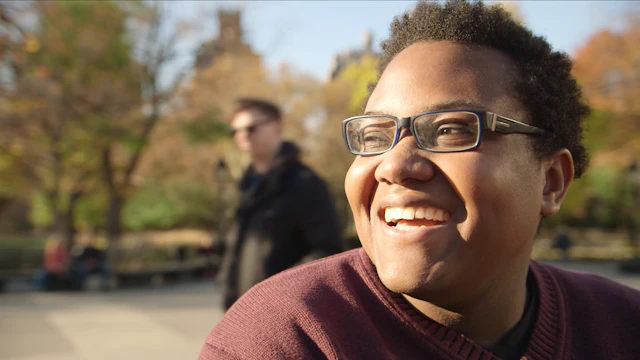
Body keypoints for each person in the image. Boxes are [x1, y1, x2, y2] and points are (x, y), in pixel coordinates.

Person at [199, 1, 640, 359]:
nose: (394, 164)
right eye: (374, 135)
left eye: (451, 129)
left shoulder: (621, 326)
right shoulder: (283, 338)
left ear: (551, 181)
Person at [218, 97, 344, 310]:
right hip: (240, 312)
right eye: (236, 131)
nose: (242, 136)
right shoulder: (247, 186)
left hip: (280, 314)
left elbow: (327, 251)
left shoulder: (304, 183)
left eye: (250, 128)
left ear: (276, 127)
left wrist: (279, 294)